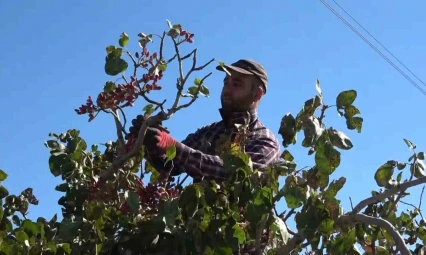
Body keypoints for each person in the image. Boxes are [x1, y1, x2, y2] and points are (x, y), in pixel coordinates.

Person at [143, 59, 281, 182]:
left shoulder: (265, 140)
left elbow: (235, 174)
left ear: (257, 94)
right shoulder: (210, 131)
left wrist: (174, 147)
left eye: (237, 85)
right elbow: (171, 166)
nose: (227, 90)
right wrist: (151, 142)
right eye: (226, 83)